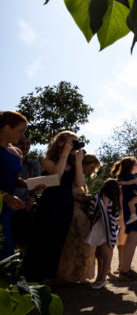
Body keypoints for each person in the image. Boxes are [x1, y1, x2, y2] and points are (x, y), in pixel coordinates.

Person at [21, 131, 85, 283]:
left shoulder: (72, 163)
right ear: (60, 142)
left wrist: (78, 162)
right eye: (71, 142)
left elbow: (80, 183)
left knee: (58, 240)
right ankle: (31, 277)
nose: (73, 145)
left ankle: (48, 277)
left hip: (66, 203)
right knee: (43, 239)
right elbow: (57, 176)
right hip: (51, 202)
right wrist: (64, 154)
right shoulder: (48, 160)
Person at [55, 153, 101, 284]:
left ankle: (76, 274)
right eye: (92, 169)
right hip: (73, 213)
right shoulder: (73, 173)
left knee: (79, 243)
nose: (90, 172)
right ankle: (71, 274)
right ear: (88, 165)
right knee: (77, 242)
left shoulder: (77, 174)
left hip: (78, 212)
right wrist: (81, 197)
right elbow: (69, 191)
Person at [112, 157, 137, 281]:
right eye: (136, 164)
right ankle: (125, 271)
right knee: (132, 242)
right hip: (136, 213)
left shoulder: (128, 179)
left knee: (130, 241)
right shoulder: (130, 179)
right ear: (130, 166)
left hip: (134, 213)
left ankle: (125, 268)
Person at [0, 111, 29, 259]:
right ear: (6, 128)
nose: (23, 136)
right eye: (20, 131)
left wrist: (31, 185)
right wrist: (5, 197)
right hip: (3, 202)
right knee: (5, 250)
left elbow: (16, 179)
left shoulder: (16, 152)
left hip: (8, 207)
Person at [85, 179, 121, 289]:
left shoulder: (97, 198)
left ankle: (102, 279)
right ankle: (100, 278)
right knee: (103, 255)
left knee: (102, 256)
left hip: (99, 230)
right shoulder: (115, 201)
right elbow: (116, 218)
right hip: (110, 230)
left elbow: (91, 213)